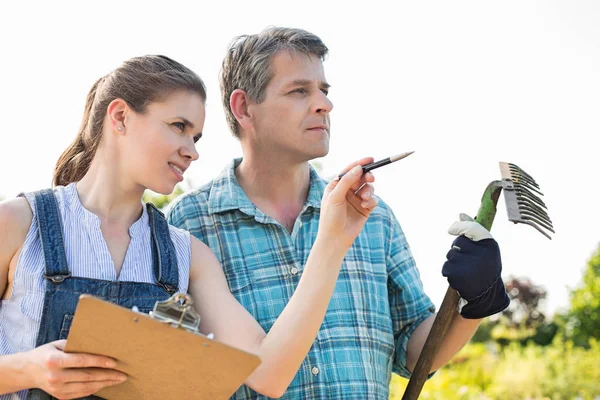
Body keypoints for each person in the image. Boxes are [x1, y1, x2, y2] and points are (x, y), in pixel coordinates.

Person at [0, 55, 379, 400]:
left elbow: (270, 372)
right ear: (119, 117)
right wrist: (27, 369)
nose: (192, 151)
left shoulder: (186, 254)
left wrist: (332, 239)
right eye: (178, 126)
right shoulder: (18, 223)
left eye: (195, 137)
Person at [167, 27, 510, 399]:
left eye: (324, 91)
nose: (324, 105)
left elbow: (416, 353)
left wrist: (472, 301)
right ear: (244, 108)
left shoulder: (373, 218)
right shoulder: (186, 226)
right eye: (300, 91)